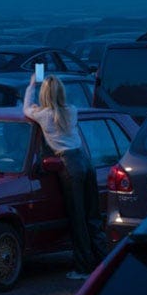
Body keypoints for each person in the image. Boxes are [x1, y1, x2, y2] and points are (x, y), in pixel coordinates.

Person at [23, 73, 107, 280]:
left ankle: (83, 268)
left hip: (69, 165)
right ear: (62, 93)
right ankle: (103, 264)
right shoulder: (72, 111)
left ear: (45, 94)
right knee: (93, 217)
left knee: (77, 218)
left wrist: (32, 84)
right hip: (86, 162)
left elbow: (26, 108)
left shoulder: (43, 115)